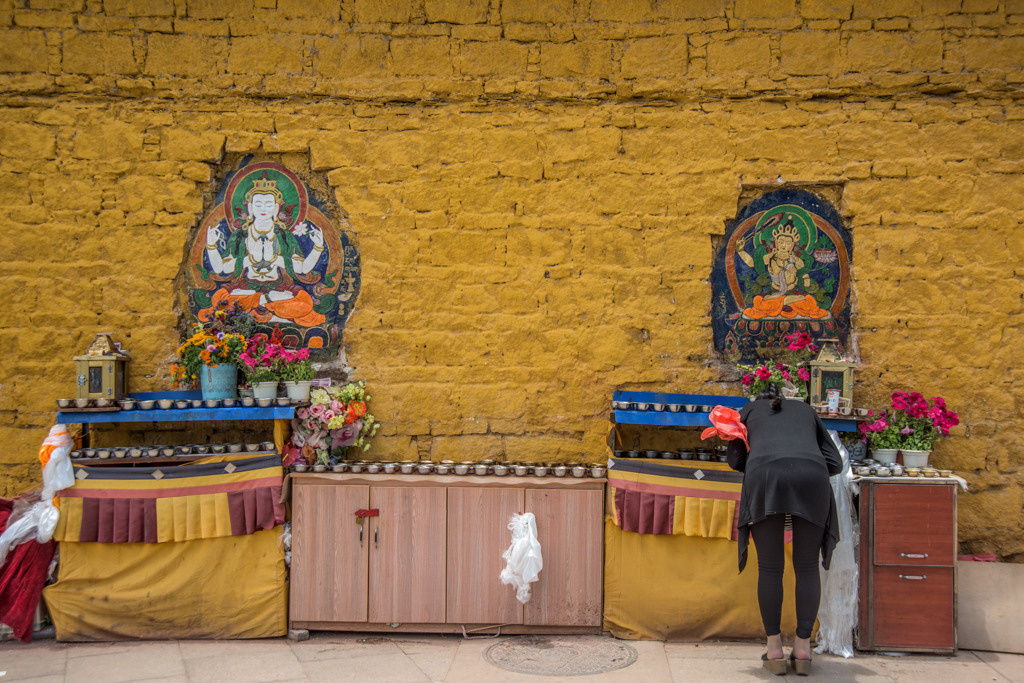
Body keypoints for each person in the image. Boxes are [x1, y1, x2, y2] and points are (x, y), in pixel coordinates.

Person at [726, 383, 843, 676]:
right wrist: (804, 466)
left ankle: (774, 648)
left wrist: (764, 458)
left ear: (759, 399)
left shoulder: (748, 411)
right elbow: (835, 463)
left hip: (765, 477)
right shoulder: (806, 410)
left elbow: (735, 461)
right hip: (812, 476)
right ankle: (803, 649)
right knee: (807, 566)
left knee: (770, 568)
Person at [199, 174, 326, 327]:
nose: (263, 209)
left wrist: (317, 247)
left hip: (278, 289)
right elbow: (221, 269)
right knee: (219, 300)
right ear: (250, 208)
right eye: (258, 204)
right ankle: (264, 302)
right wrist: (212, 246)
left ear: (276, 208)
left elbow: (303, 269)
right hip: (245, 288)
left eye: (269, 204)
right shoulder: (240, 235)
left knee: (305, 303)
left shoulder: (284, 236)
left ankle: (259, 303)